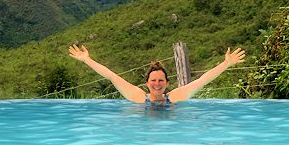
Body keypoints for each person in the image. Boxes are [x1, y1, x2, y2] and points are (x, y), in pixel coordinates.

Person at [68, 44, 245, 104]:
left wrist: (226, 63)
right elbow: (111, 76)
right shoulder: (138, 97)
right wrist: (86, 60)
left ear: (167, 83)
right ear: (147, 83)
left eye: (161, 80)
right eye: (153, 80)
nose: (157, 84)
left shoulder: (175, 97)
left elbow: (203, 80)